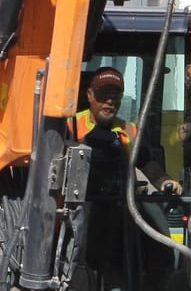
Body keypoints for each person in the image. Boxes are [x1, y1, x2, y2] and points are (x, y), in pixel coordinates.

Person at [72, 66, 181, 195]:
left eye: (115, 96)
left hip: (120, 207)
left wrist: (164, 181)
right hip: (79, 208)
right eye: (103, 94)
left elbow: (146, 163)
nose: (109, 101)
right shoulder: (71, 126)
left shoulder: (130, 131)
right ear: (89, 95)